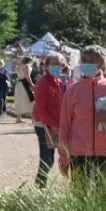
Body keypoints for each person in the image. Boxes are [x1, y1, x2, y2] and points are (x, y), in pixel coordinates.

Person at [57, 45, 106, 188]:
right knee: (80, 198)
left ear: (102, 63)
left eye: (95, 60)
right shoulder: (72, 91)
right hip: (79, 152)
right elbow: (65, 126)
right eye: (86, 60)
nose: (90, 63)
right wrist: (63, 158)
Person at [31, 54, 69, 187]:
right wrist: (53, 125)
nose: (57, 67)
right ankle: (40, 184)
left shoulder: (60, 81)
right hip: (44, 125)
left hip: (55, 124)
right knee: (47, 158)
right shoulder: (42, 83)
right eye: (53, 64)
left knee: (51, 158)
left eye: (60, 64)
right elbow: (40, 109)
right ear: (46, 66)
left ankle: (41, 183)